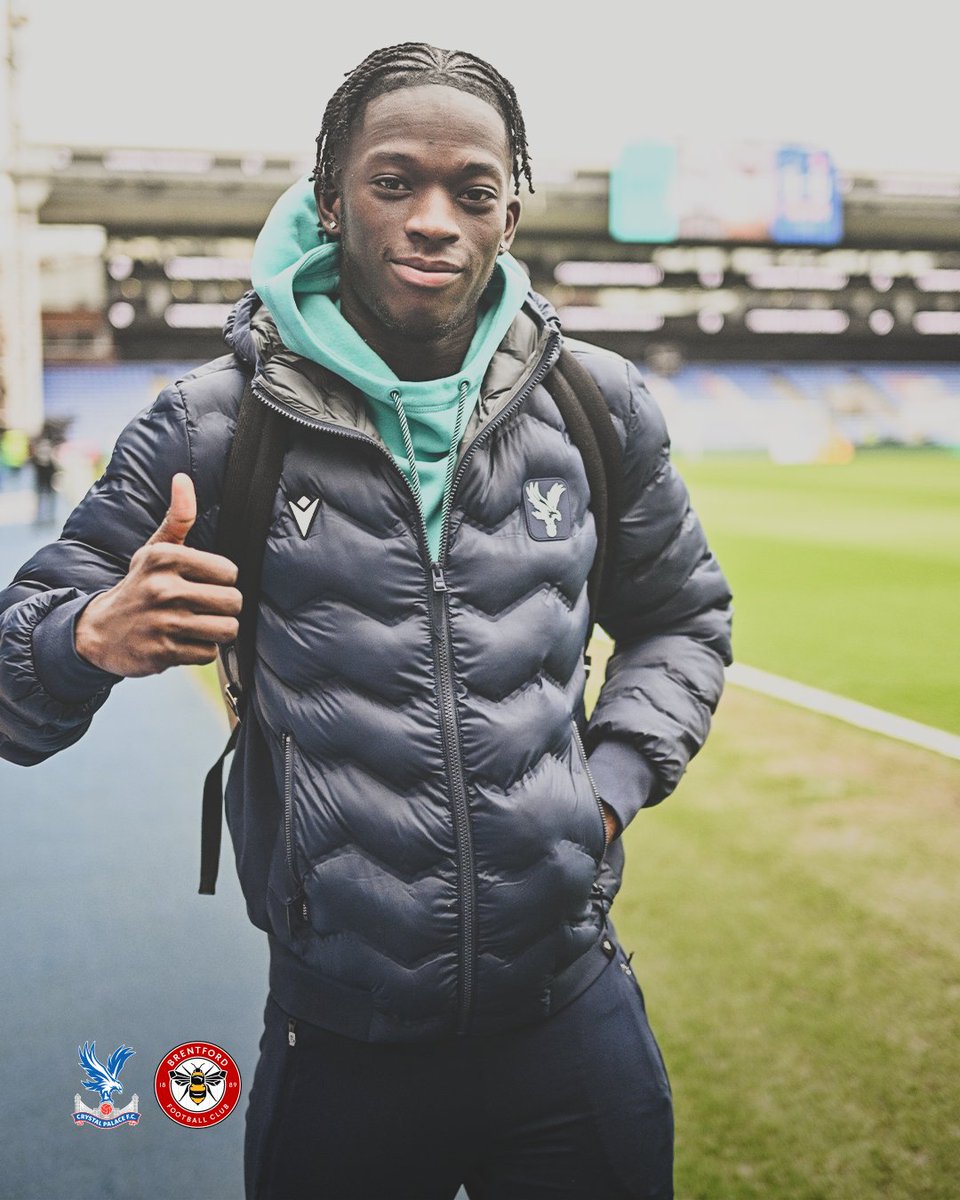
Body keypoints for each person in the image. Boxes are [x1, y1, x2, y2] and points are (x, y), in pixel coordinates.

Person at [0, 43, 732, 1200]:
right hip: (342, 1042)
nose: (435, 219)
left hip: (569, 1013)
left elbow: (684, 618)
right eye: (395, 182)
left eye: (472, 191)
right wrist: (86, 635)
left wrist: (608, 790)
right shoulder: (211, 423)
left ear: (511, 211)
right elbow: (15, 678)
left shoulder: (596, 404)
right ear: (330, 199)